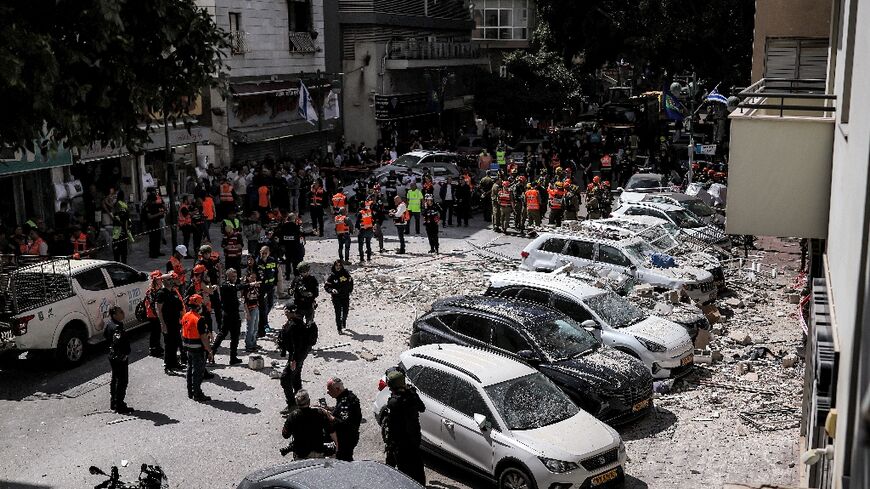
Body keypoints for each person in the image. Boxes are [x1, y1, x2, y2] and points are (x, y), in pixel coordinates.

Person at [381, 369, 426, 485]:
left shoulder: (394, 402)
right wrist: (413, 392)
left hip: (401, 442)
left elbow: (392, 426)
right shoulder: (411, 395)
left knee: (403, 471)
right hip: (414, 437)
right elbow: (422, 408)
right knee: (417, 466)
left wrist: (390, 445)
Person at [281, 389, 338, 460]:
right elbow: (331, 431)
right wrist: (338, 447)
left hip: (300, 454)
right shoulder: (319, 413)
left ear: (297, 402)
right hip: (318, 452)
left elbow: (285, 435)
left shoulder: (293, 416)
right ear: (309, 401)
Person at [279, 303, 312, 414]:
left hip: (296, 357)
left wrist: (293, 360)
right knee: (295, 378)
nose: (285, 311)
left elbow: (296, 345)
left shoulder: (295, 325)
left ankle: (292, 404)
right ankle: (301, 403)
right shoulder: (294, 322)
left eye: (286, 310)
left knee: (285, 378)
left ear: (290, 312)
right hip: (299, 356)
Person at [181, 294, 213, 402]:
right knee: (198, 372)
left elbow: (183, 331)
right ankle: (197, 393)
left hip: (188, 347)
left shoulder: (186, 316)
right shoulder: (199, 319)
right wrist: (209, 351)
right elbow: (203, 338)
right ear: (198, 306)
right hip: (197, 348)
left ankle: (190, 391)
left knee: (190, 369)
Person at [324, 377, 362, 461]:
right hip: (347, 437)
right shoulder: (347, 396)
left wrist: (329, 416)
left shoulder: (346, 402)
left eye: (330, 389)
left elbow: (344, 424)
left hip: (346, 439)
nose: (327, 392)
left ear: (337, 389)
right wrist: (329, 409)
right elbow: (340, 410)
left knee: (343, 460)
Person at [212, 268, 243, 365]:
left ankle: (233, 358)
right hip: (228, 315)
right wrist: (249, 284)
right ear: (228, 276)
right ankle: (211, 353)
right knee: (222, 334)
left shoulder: (231, 285)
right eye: (233, 276)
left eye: (236, 276)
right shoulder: (226, 285)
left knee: (235, 337)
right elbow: (236, 287)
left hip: (234, 314)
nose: (235, 278)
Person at [105, 305, 133, 414]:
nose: (123, 313)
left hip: (112, 355)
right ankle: (119, 404)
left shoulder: (109, 324)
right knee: (122, 380)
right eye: (120, 312)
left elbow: (106, 336)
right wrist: (123, 354)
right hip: (119, 357)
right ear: (114, 315)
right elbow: (117, 342)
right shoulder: (117, 327)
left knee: (115, 378)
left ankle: (114, 402)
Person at [157, 272, 186, 374]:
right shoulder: (161, 293)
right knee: (168, 345)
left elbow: (179, 307)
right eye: (169, 280)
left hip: (175, 322)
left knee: (175, 343)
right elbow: (159, 310)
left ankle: (174, 363)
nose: (171, 281)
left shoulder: (173, 292)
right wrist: (163, 324)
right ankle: (168, 366)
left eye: (171, 279)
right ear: (164, 281)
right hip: (167, 322)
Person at [324, 260, 353, 334]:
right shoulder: (332, 276)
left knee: (345, 312)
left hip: (345, 296)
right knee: (338, 313)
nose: (338, 267)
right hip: (336, 297)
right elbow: (327, 286)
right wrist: (331, 290)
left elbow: (350, 281)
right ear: (334, 266)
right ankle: (339, 328)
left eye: (340, 265)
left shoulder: (345, 273)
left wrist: (350, 290)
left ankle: (343, 321)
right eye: (337, 265)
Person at [256, 245, 278, 334]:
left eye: (266, 253)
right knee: (263, 307)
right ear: (260, 252)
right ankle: (264, 324)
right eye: (262, 253)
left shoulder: (272, 260)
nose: (264, 254)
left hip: (271, 286)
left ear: (269, 253)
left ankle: (262, 320)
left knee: (270, 304)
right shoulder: (257, 262)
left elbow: (276, 272)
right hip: (262, 287)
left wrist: (275, 283)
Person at [144, 271, 165, 358]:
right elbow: (154, 306)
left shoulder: (157, 289)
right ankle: (153, 349)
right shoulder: (152, 291)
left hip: (155, 314)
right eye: (159, 279)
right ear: (155, 280)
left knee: (157, 332)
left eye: (161, 278)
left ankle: (157, 347)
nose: (161, 280)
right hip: (153, 315)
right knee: (155, 333)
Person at [242, 271, 262, 352]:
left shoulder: (256, 287)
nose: (254, 279)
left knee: (255, 328)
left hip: (256, 307)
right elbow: (244, 301)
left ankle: (253, 343)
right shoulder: (246, 288)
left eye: (255, 277)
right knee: (250, 328)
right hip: (250, 309)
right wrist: (246, 313)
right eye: (252, 277)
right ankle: (249, 345)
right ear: (248, 278)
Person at [144, 188, 166, 258]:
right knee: (152, 239)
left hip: (157, 223)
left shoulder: (155, 204)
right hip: (151, 224)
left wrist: (161, 211)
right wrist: (159, 214)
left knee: (157, 238)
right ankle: (152, 253)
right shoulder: (148, 205)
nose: (155, 201)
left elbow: (162, 207)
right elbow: (149, 217)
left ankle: (157, 251)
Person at [111, 194, 132, 263]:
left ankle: (119, 265)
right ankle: (122, 265)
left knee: (118, 252)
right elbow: (126, 224)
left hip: (116, 232)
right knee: (122, 252)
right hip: (120, 232)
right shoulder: (124, 211)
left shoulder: (115, 208)